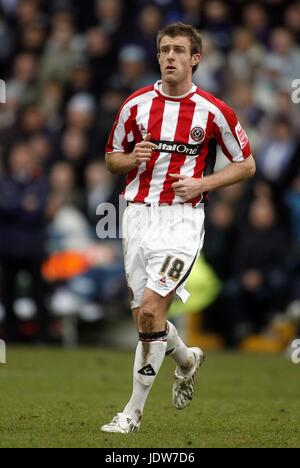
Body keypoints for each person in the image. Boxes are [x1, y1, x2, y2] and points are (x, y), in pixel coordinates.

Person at [101, 23, 256, 433]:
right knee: (145, 321)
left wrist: (204, 183)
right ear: (158, 57)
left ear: (195, 59)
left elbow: (246, 164)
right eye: (164, 50)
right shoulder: (135, 106)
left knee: (153, 310)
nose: (170, 56)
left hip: (182, 221)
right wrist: (132, 158)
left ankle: (131, 414)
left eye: (178, 50)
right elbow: (111, 156)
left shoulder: (214, 111)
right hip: (136, 216)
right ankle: (187, 360)